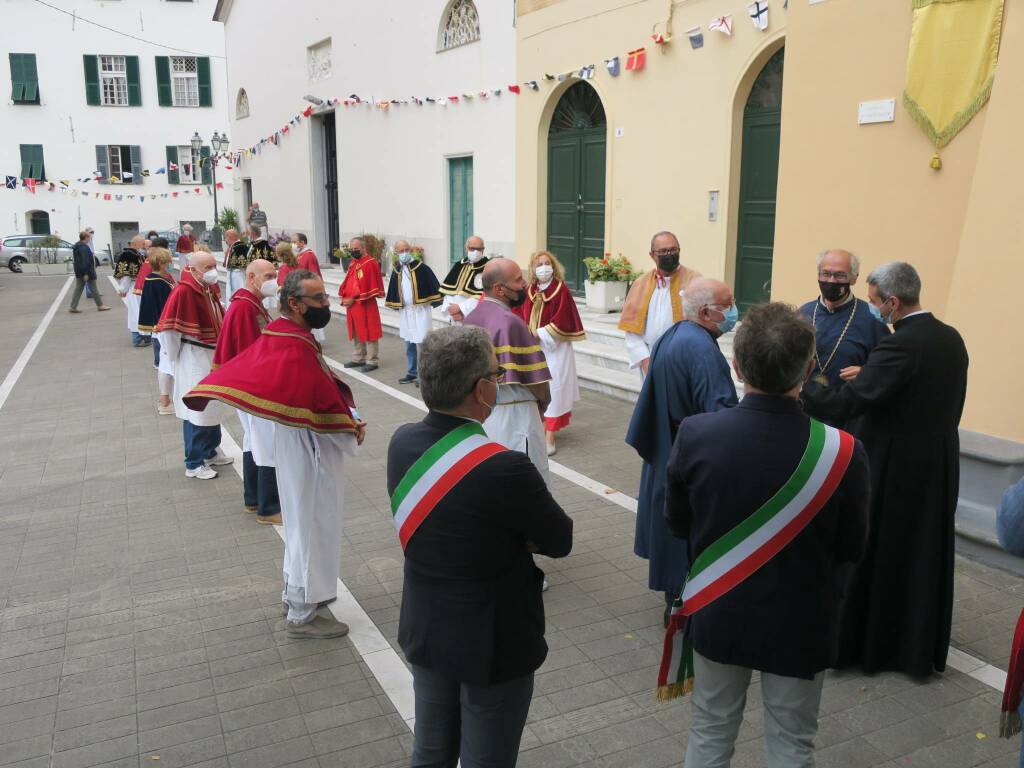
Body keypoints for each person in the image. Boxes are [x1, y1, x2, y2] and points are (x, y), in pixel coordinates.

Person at [662, 303, 870, 768]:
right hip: (803, 617)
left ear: (736, 366)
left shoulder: (697, 434)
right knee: (793, 743)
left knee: (712, 731)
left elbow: (677, 523)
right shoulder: (843, 451)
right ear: (811, 367)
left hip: (719, 607)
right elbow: (852, 547)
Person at [386, 325, 573, 767]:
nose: (500, 378)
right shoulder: (507, 468)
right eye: (498, 371)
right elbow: (559, 540)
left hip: (427, 627)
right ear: (483, 389)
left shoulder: (402, 441)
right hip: (492, 640)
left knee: (430, 753)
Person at [801, 261, 969, 677]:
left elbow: (848, 403)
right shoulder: (950, 338)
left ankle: (872, 645)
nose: (874, 310)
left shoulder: (899, 345)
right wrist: (872, 375)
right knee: (921, 554)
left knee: (881, 551)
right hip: (938, 465)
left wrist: (800, 387)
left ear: (893, 302)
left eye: (876, 302)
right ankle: (915, 647)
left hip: (896, 469)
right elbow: (911, 390)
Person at [185, 269, 366, 639]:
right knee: (311, 524)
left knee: (304, 524)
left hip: (300, 441)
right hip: (308, 446)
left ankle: (299, 594)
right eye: (318, 299)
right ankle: (303, 613)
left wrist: (345, 416)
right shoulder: (293, 342)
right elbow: (314, 399)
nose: (326, 304)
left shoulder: (288, 332)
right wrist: (349, 426)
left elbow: (319, 389)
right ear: (295, 304)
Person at [626, 277, 739, 624]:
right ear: (707, 313)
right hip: (692, 458)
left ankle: (674, 599)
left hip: (670, 450)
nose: (734, 311)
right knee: (687, 537)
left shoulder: (673, 335)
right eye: (729, 304)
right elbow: (719, 415)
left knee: (672, 530)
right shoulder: (703, 351)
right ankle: (686, 609)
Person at [464, 258, 552, 483]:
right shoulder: (510, 322)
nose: (524, 284)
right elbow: (537, 381)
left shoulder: (471, 318)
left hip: (482, 417)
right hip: (517, 418)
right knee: (526, 483)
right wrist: (544, 402)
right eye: (518, 280)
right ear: (499, 289)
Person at [214, 258, 282, 524]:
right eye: (267, 276)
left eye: (274, 275)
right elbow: (250, 353)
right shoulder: (244, 308)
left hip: (250, 388)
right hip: (255, 390)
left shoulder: (249, 303)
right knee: (266, 445)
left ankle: (253, 499)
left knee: (253, 442)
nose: (273, 280)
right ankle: (270, 507)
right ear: (251, 277)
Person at [155, 251, 233, 479]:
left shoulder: (206, 287)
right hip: (193, 355)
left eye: (213, 265)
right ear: (194, 269)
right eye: (207, 266)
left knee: (212, 404)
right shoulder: (184, 291)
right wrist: (175, 358)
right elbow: (169, 330)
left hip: (210, 354)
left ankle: (210, 450)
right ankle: (194, 461)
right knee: (196, 407)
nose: (212, 270)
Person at [514, 250, 586, 457]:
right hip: (534, 348)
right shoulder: (530, 290)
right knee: (535, 388)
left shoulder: (560, 290)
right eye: (539, 264)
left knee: (554, 389)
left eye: (547, 263)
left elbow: (564, 320)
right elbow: (520, 313)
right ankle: (540, 427)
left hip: (555, 349)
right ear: (533, 269)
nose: (544, 267)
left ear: (553, 267)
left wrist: (540, 333)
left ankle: (550, 437)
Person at [800, 249, 889, 396]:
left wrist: (867, 373)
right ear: (818, 275)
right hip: (806, 409)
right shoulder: (803, 314)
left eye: (840, 275)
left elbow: (887, 369)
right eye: (826, 273)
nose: (831, 280)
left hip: (849, 411)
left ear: (854, 278)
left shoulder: (873, 318)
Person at [619, 231, 701, 374]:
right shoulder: (640, 284)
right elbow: (632, 330)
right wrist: (645, 360)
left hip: (683, 360)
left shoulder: (695, 281)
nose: (669, 254)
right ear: (652, 255)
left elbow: (703, 324)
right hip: (650, 359)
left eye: (673, 250)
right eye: (663, 251)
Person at [384, 241, 441, 385]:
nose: (404, 253)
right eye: (401, 251)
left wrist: (431, 301)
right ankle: (411, 372)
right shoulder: (396, 270)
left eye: (406, 249)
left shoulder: (422, 268)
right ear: (396, 253)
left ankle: (425, 375)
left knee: (422, 343)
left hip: (420, 311)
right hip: (406, 312)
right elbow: (393, 290)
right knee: (409, 343)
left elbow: (434, 286)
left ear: (410, 250)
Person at [138, 247, 176, 415]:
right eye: (167, 262)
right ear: (161, 263)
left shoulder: (154, 279)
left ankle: (166, 400)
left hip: (159, 328)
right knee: (167, 364)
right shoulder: (158, 282)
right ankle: (165, 401)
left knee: (165, 363)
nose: (170, 264)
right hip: (164, 329)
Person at [339, 237, 384, 372]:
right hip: (353, 305)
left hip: (366, 303)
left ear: (364, 248)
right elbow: (350, 282)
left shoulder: (370, 263)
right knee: (357, 331)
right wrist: (345, 297)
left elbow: (367, 285)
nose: (353, 251)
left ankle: (372, 360)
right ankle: (358, 358)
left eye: (356, 249)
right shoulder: (354, 262)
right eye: (351, 249)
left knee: (370, 331)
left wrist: (353, 298)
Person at [439, 235, 489, 323]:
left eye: (479, 249)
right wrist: (449, 308)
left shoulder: (488, 267)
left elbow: (484, 296)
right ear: (466, 248)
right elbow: (448, 290)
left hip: (473, 316)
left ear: (483, 249)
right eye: (472, 248)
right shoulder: (459, 264)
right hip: (454, 316)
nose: (475, 252)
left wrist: (461, 308)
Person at [114, 235, 148, 346]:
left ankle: (144, 335)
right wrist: (123, 289)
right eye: (142, 244)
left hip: (140, 286)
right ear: (135, 244)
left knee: (140, 312)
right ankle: (137, 338)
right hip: (134, 287)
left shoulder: (138, 254)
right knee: (135, 312)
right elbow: (126, 275)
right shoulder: (128, 255)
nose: (144, 246)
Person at [69, 230, 109, 313]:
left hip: (80, 271)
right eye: (89, 238)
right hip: (87, 272)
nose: (90, 239)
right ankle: (100, 305)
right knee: (94, 288)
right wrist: (86, 273)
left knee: (78, 289)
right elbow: (85, 261)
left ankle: (73, 307)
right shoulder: (83, 247)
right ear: (86, 237)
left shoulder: (78, 246)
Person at [222, 228, 247, 299]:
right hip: (234, 275)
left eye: (225, 238)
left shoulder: (239, 246)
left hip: (237, 276)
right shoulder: (234, 246)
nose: (225, 241)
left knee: (238, 294)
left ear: (230, 237)